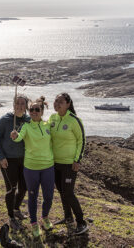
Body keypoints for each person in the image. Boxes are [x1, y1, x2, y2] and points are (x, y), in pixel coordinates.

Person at [10, 97, 54, 237]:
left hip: (48, 166)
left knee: (49, 196)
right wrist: (15, 136)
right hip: (31, 168)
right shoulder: (26, 126)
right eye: (31, 110)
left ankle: (45, 217)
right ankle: (34, 223)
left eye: (37, 109)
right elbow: (19, 137)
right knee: (32, 195)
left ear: (41, 111)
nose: (34, 112)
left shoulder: (48, 125)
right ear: (29, 111)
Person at [49, 92, 88, 235]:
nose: (57, 103)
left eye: (60, 101)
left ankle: (81, 222)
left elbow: (81, 140)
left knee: (68, 192)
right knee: (61, 192)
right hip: (54, 163)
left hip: (69, 164)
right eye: (55, 101)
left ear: (68, 104)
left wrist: (77, 160)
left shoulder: (74, 120)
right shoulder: (52, 118)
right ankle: (68, 217)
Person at [0, 94, 30, 231]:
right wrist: (2, 158)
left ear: (26, 106)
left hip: (25, 160)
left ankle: (15, 208)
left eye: (23, 104)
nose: (20, 106)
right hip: (8, 161)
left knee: (24, 187)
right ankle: (11, 217)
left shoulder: (28, 120)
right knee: (11, 189)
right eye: (17, 103)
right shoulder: (5, 120)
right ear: (13, 104)